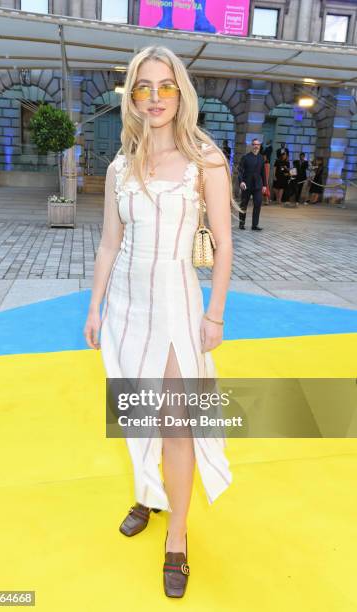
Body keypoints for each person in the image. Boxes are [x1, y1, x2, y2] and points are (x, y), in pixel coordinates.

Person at [83, 45, 240, 598]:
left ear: (181, 92)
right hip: (125, 303)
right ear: (132, 95)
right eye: (142, 87)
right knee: (137, 410)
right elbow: (109, 243)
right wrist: (95, 305)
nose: (154, 98)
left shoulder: (207, 161)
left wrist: (215, 312)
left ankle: (177, 535)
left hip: (176, 302)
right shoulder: (120, 165)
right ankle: (148, 493)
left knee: (175, 420)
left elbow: (222, 245)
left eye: (164, 86)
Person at [237, 138, 268, 230]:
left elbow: (263, 172)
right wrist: (241, 181)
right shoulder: (245, 157)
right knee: (244, 204)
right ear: (252, 145)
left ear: (260, 146)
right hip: (247, 184)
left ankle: (255, 225)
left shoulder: (261, 158)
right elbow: (240, 171)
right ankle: (241, 224)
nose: (256, 146)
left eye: (258, 145)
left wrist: (265, 185)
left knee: (258, 204)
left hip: (258, 185)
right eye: (254, 144)